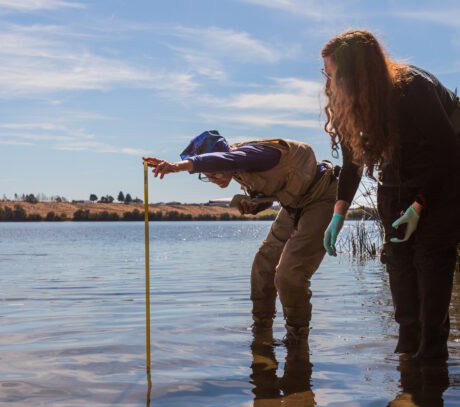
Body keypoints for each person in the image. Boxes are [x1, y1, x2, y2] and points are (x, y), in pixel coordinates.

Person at [320, 30, 460, 359]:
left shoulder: (413, 88)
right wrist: (339, 213)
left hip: (445, 179)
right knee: (399, 265)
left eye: (334, 74)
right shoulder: (346, 102)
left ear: (358, 73)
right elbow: (352, 162)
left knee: (430, 264)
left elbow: (449, 155)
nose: (329, 82)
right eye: (324, 74)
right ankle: (406, 367)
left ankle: (431, 370)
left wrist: (420, 204)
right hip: (396, 181)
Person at [143, 130, 337, 342]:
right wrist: (255, 206)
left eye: (213, 172)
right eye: (207, 176)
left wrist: (178, 166)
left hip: (322, 196)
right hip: (294, 205)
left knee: (289, 274)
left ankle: (296, 336)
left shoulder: (253, 153)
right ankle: (261, 329)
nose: (213, 178)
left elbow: (228, 159)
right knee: (262, 265)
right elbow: (275, 189)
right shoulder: (239, 170)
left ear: (221, 159)